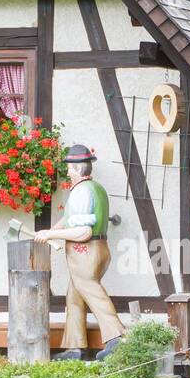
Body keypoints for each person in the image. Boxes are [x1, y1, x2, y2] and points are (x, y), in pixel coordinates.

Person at [34, 144, 126, 361]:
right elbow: (70, 220)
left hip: (85, 252)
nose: (67, 172)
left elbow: (83, 231)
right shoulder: (96, 189)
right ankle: (75, 348)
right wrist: (48, 231)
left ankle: (118, 338)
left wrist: (51, 236)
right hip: (99, 248)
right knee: (74, 298)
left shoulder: (81, 192)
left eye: (69, 168)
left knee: (91, 291)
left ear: (77, 169)